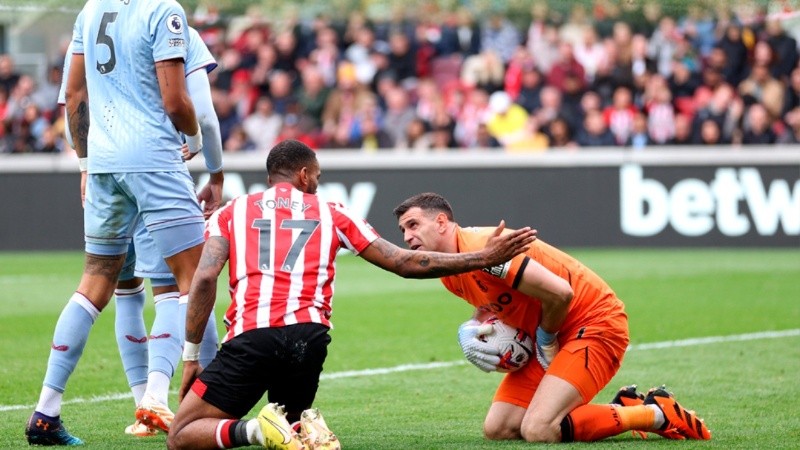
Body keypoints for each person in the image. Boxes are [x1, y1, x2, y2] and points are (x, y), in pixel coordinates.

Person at [166, 140, 537, 450]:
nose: (317, 183)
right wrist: (483, 257)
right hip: (308, 340)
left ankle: (257, 430)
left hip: (252, 337)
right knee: (292, 432)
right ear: (304, 175)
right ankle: (299, 424)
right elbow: (403, 262)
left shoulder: (231, 212)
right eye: (317, 177)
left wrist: (192, 357)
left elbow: (204, 279)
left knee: (180, 434)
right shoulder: (333, 213)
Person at [25, 1, 223, 445]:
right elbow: (176, 101)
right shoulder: (163, 10)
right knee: (190, 281)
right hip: (154, 159)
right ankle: (164, 397)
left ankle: (46, 411)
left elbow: (74, 94)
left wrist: (86, 163)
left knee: (95, 285)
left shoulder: (91, 9)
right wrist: (192, 141)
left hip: (103, 164)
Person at [392, 192, 712, 443]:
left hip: (596, 323)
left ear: (443, 222)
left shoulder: (487, 250)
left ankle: (656, 413)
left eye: (413, 225)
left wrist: (545, 341)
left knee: (539, 429)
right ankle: (623, 406)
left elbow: (560, 293)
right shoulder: (450, 272)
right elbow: (492, 300)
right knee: (499, 428)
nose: (406, 237)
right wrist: (474, 327)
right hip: (553, 330)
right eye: (403, 229)